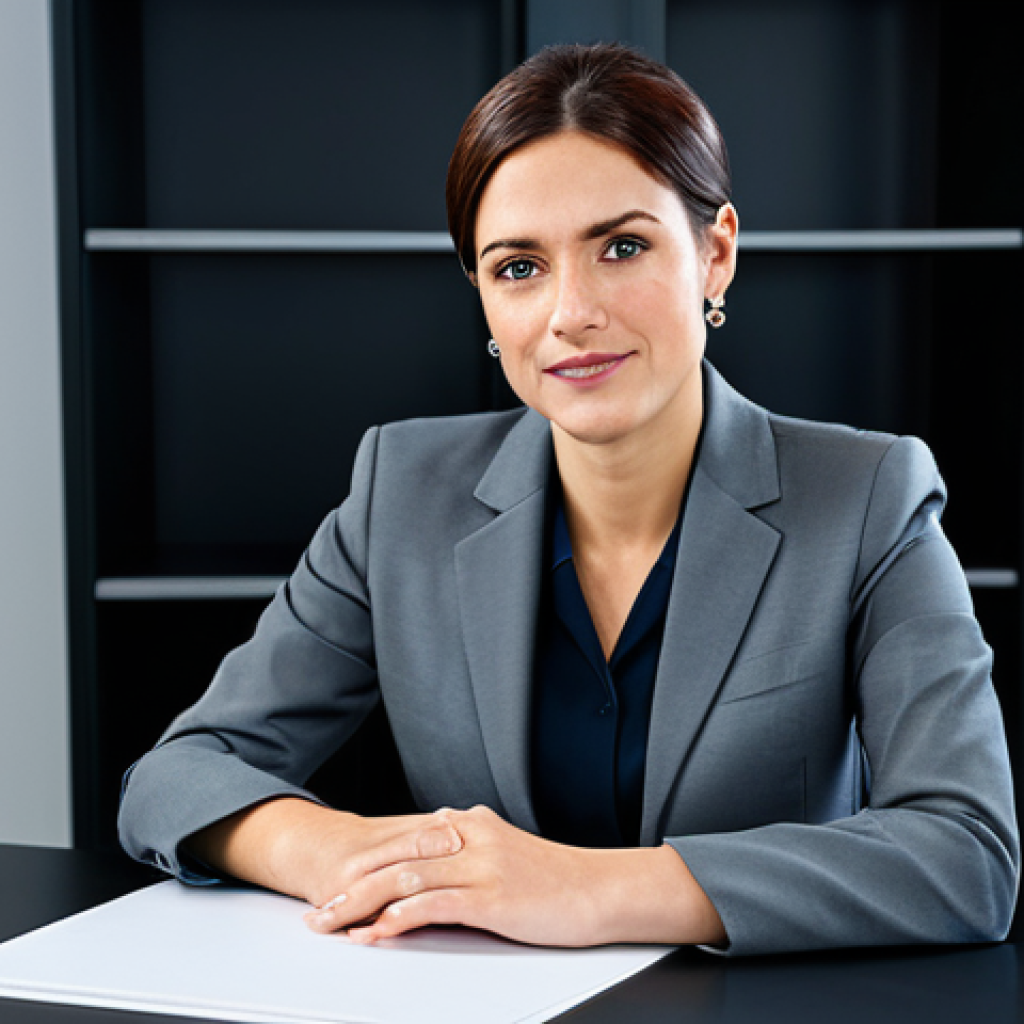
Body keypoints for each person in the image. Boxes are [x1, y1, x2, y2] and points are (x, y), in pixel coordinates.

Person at [119, 43, 1019, 956]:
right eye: (518, 267)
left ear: (715, 255)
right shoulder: (403, 492)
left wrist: (585, 890)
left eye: (621, 247)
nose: (570, 313)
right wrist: (367, 854)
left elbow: (966, 852)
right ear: (481, 295)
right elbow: (177, 777)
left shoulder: (869, 499)